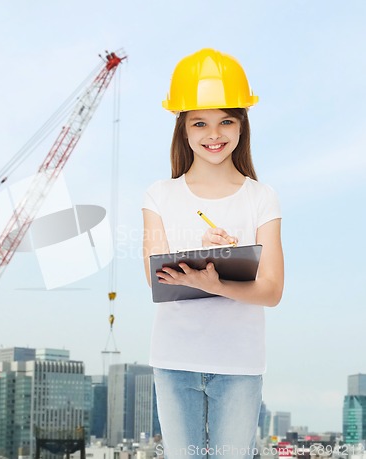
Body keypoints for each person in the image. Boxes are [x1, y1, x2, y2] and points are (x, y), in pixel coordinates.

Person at [142, 48, 284, 459]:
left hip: (239, 363)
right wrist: (212, 270)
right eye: (199, 122)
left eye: (226, 121)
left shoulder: (261, 197)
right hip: (173, 359)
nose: (213, 133)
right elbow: (155, 279)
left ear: (242, 126)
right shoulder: (159, 195)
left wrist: (215, 280)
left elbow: (272, 291)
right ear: (182, 129)